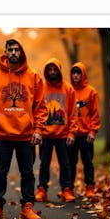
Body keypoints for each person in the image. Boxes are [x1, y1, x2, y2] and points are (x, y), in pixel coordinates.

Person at [0, 38, 47, 219]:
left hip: (27, 135)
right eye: (10, 49)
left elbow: (41, 106)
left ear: (21, 51)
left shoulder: (33, 76)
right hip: (1, 134)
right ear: (5, 52)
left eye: (17, 49)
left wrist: (39, 129)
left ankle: (28, 208)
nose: (14, 53)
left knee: (28, 173)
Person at [35, 58, 78, 203]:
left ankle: (66, 189)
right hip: (45, 135)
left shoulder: (68, 89)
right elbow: (37, 110)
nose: (52, 72)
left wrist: (72, 132)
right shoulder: (42, 88)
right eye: (50, 70)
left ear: (59, 71)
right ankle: (42, 189)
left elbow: (73, 113)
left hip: (63, 135)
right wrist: (38, 130)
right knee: (44, 164)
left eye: (54, 70)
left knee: (65, 164)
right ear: (47, 71)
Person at [69, 62, 101, 198]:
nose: (76, 75)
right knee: (70, 163)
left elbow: (95, 113)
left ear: (83, 74)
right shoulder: (68, 90)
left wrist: (93, 131)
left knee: (88, 162)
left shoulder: (91, 91)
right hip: (71, 134)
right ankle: (68, 188)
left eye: (78, 73)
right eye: (74, 73)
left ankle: (90, 188)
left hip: (86, 135)